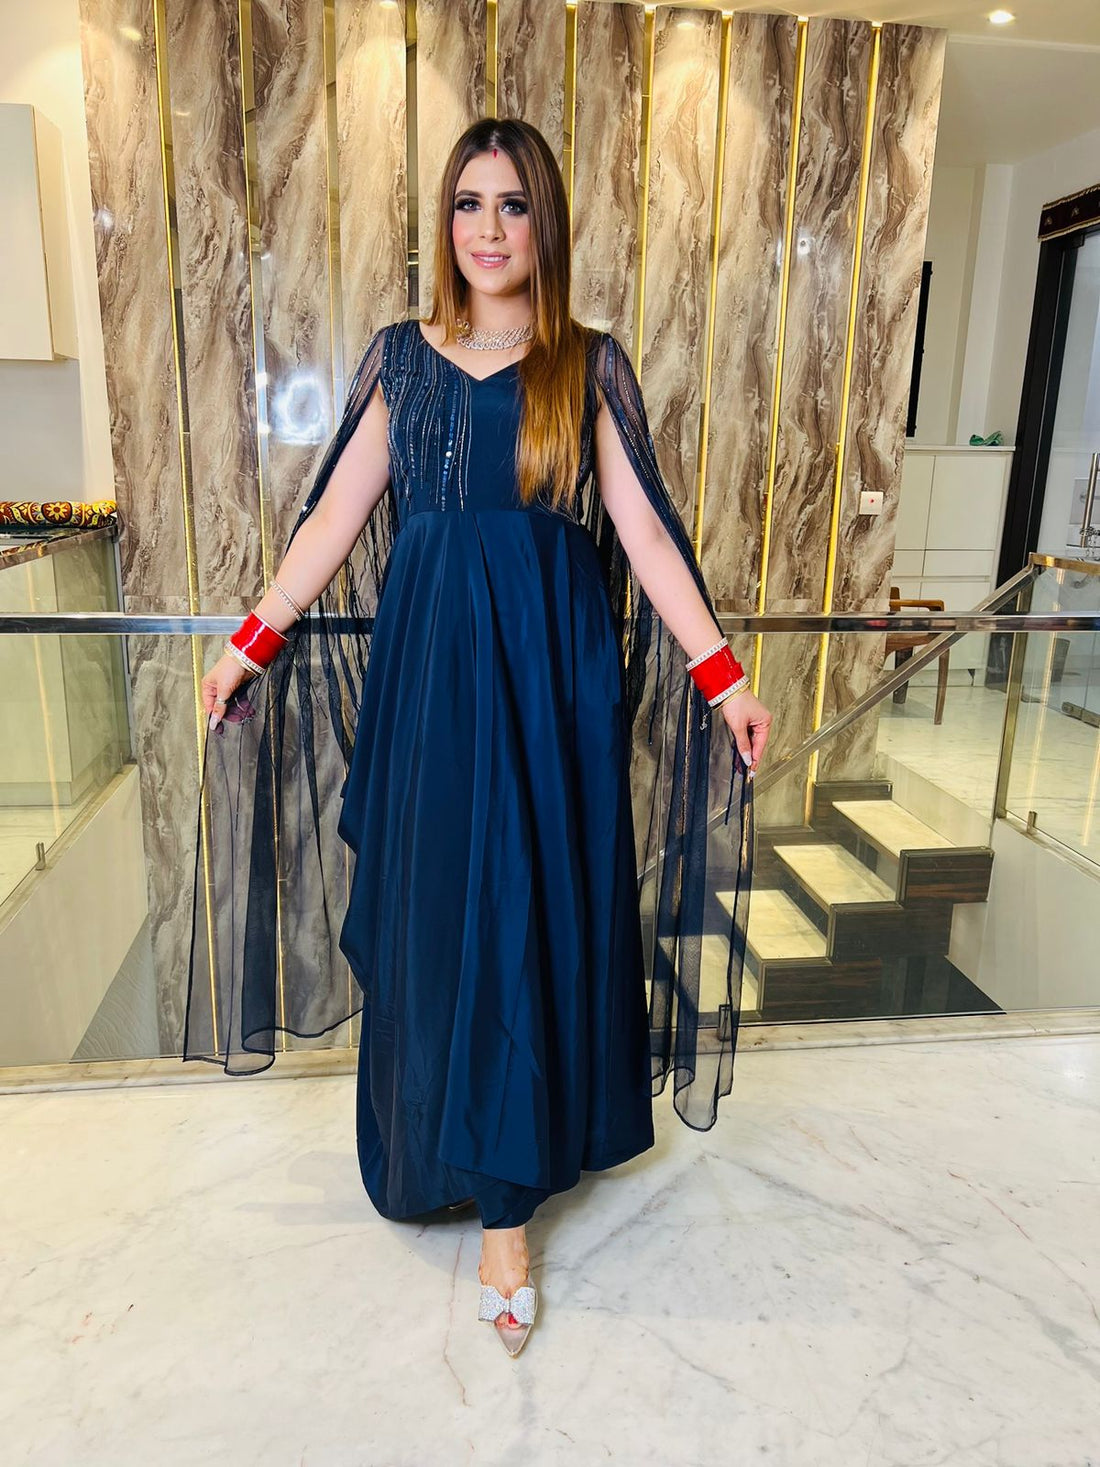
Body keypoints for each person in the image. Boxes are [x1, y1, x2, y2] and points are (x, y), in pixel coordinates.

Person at [188, 117, 771, 1359]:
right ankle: (442, 1143)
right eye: (467, 203)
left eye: (511, 205)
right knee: (440, 915)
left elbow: (645, 535)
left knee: (522, 916)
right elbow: (334, 519)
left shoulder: (585, 365)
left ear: (542, 223)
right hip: (434, 686)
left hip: (550, 688)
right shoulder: (401, 360)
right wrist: (250, 641)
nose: (488, 228)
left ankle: (506, 1218)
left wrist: (722, 676)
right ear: (443, 222)